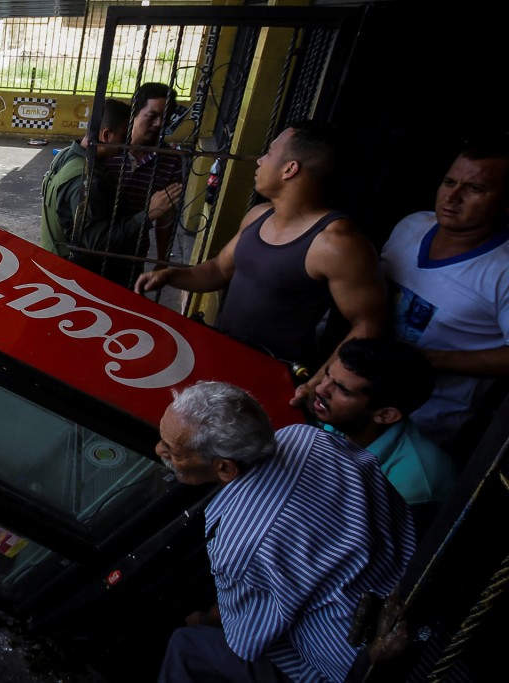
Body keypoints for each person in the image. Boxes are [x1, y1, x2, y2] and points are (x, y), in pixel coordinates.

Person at [155, 381, 415, 683]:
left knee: (186, 643)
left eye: (172, 451)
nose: (159, 450)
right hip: (416, 591)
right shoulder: (310, 437)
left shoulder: (236, 547)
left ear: (225, 469)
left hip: (364, 670)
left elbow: (247, 641)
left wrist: (200, 618)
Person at [135, 121, 387, 407]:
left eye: (269, 153)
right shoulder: (259, 215)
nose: (260, 160)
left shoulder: (337, 243)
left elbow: (367, 325)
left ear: (290, 169)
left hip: (271, 378)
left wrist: (318, 382)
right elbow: (218, 269)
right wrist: (170, 276)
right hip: (219, 358)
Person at [379, 135, 509, 450]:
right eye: (449, 182)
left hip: (422, 431)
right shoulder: (412, 225)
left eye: (475, 188)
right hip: (354, 405)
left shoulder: (503, 270)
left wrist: (432, 359)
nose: (453, 197)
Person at [310, 337, 459, 522]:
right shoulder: (343, 419)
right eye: (327, 375)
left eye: (342, 390)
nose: (321, 389)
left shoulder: (409, 488)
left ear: (386, 415)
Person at [40, 98, 181, 287]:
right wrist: (148, 214)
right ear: (106, 135)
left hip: (57, 266)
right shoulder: (88, 180)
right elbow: (97, 244)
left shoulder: (67, 155)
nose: (127, 143)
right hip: (74, 278)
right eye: (123, 136)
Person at [103, 82, 185, 287]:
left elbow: (167, 212)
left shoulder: (170, 159)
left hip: (133, 253)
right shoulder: (109, 146)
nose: (158, 123)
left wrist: (161, 261)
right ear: (135, 114)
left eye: (164, 118)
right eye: (152, 116)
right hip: (96, 244)